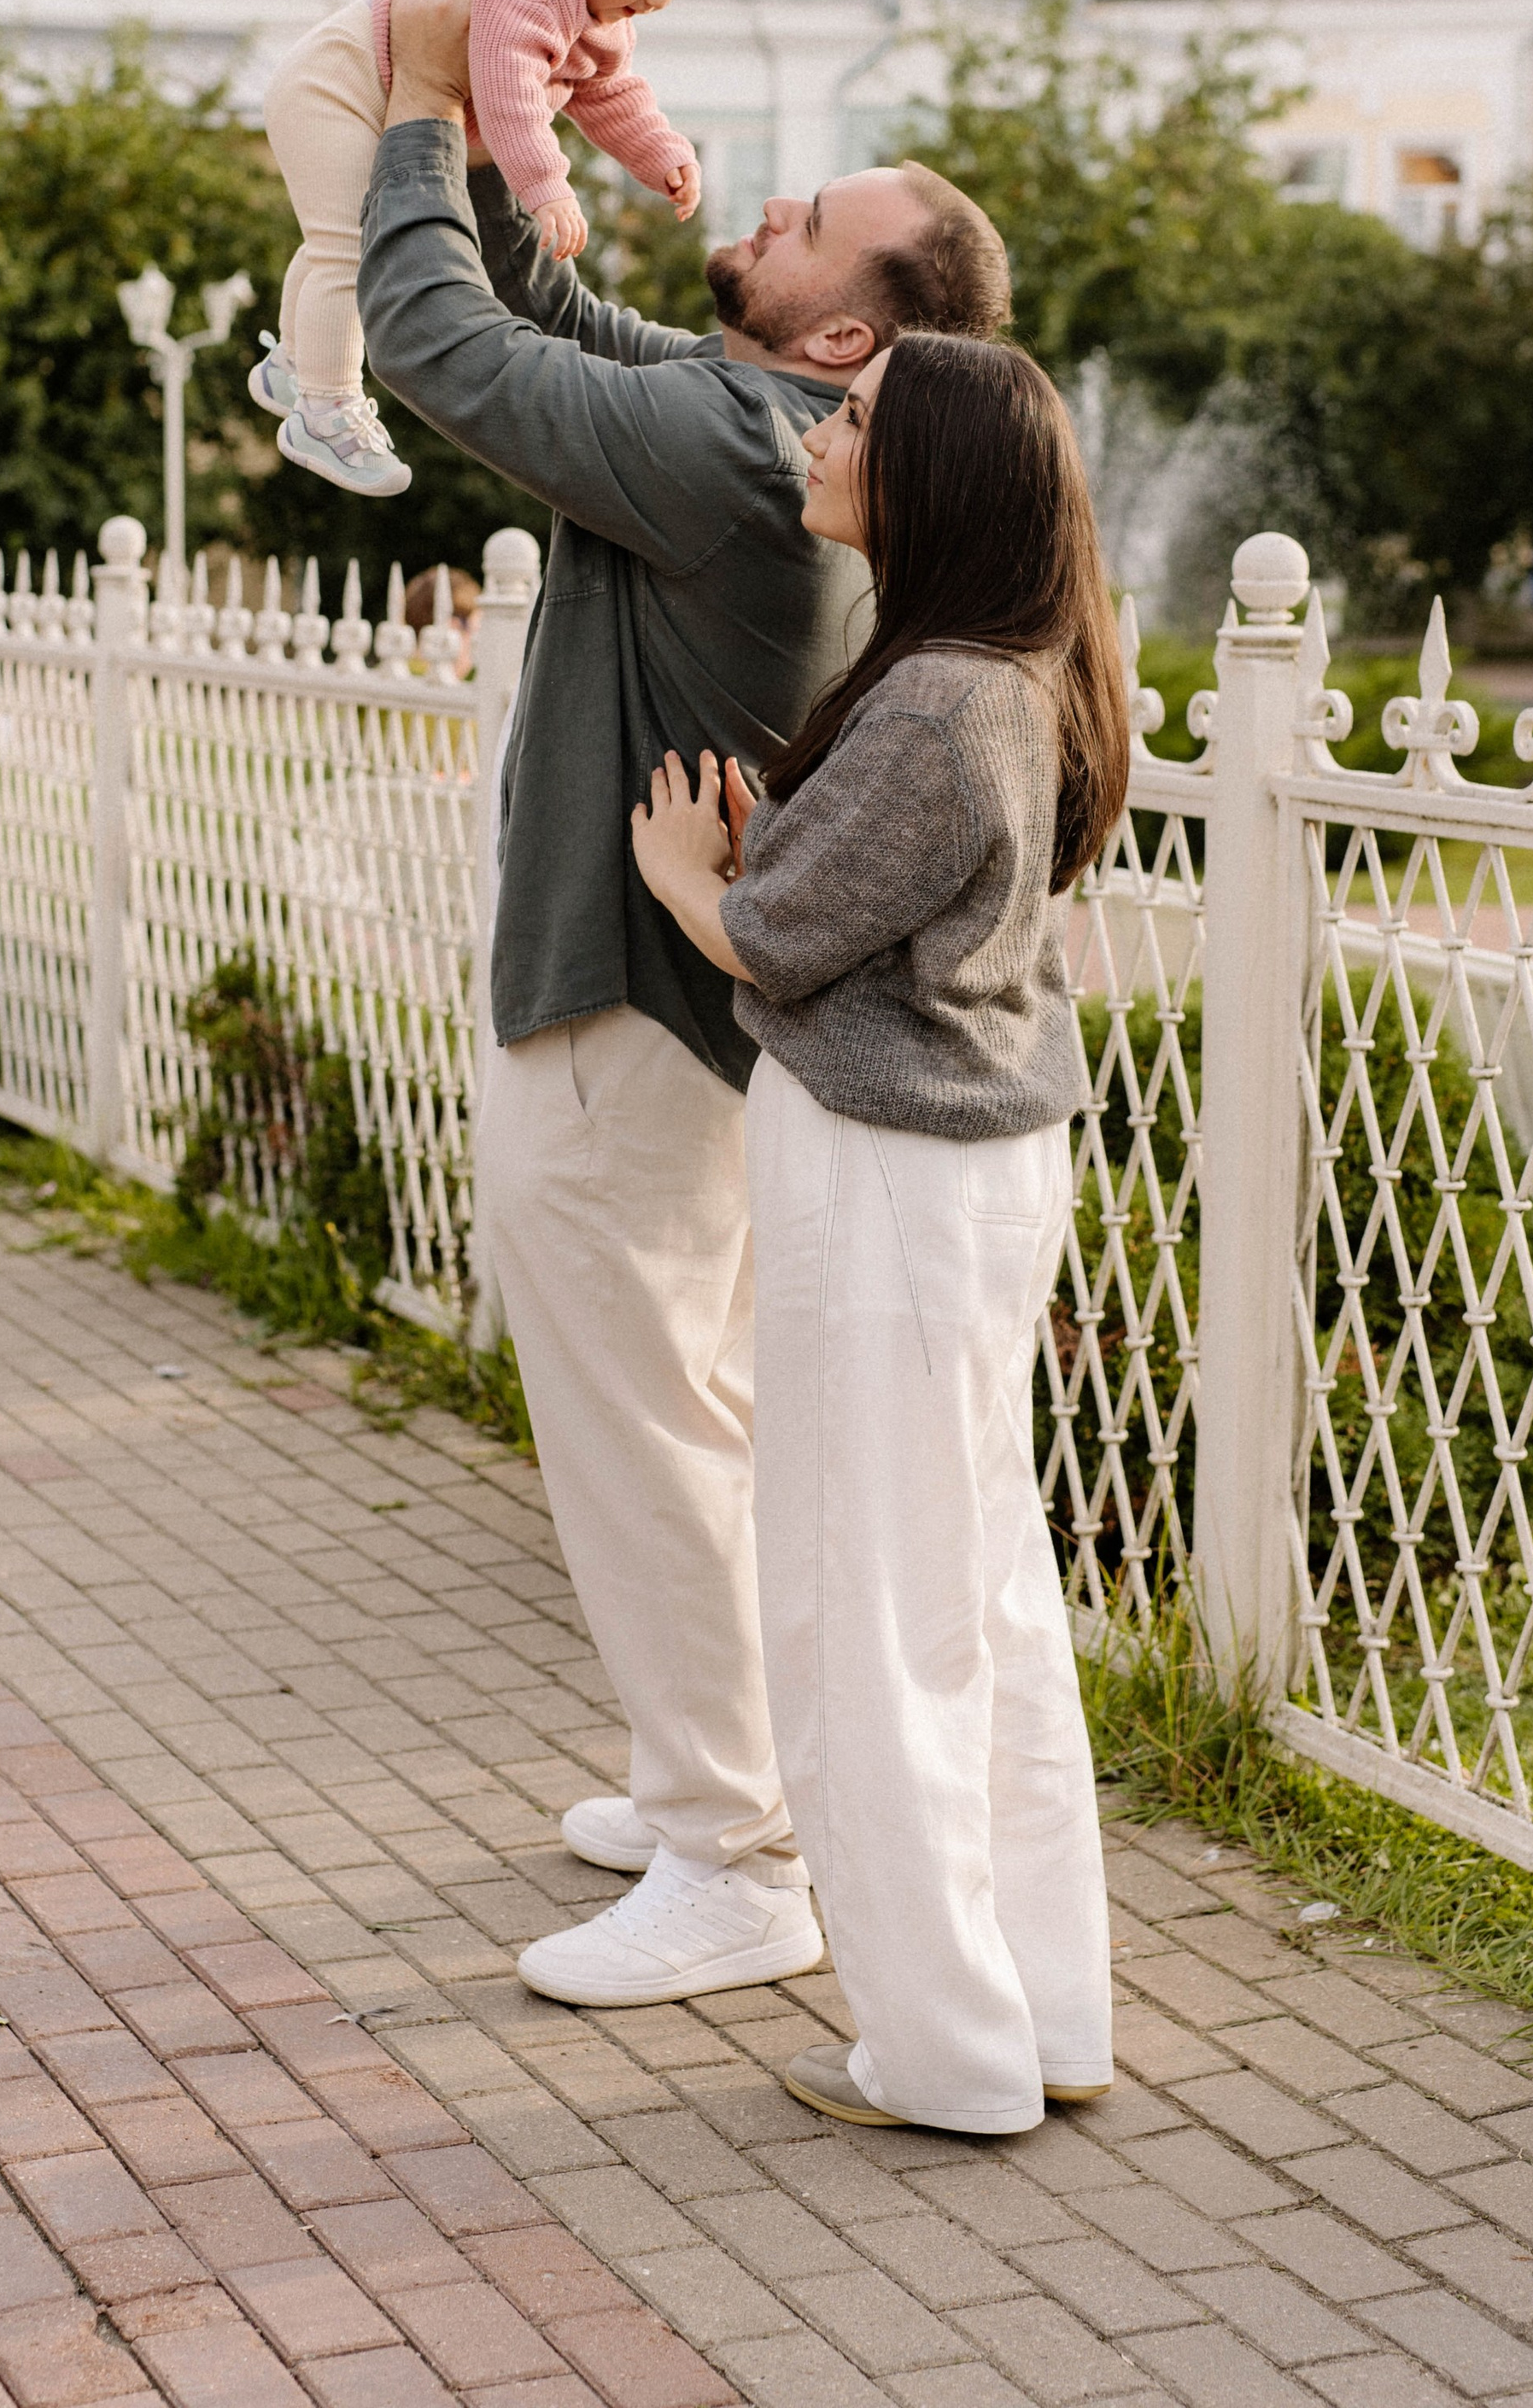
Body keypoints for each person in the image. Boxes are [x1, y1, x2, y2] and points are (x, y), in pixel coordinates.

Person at [332, 0, 1014, 2008]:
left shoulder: (736, 446)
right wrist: (507, 126)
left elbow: (436, 344)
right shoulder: (759, 417)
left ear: (841, 331)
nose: (770, 200)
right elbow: (541, 317)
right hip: (677, 1024)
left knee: (644, 1441)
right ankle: (714, 1779)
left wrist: (413, 102)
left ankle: (733, 1855)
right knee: (691, 1418)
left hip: (623, 1019)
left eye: (811, 219)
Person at [631, 331, 1126, 2133]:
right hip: (967, 1175)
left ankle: (940, 2053)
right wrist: (779, 852)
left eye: (851, 417)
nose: (817, 434)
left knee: (863, 1612)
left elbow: (774, 939)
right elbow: (876, 897)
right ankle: (1038, 2019)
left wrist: (687, 874)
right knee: (975, 1597)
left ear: (931, 476)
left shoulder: (933, 704)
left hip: (887, 1174)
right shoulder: (1008, 673)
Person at [255, 0, 762, 497]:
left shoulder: (596, 10)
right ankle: (324, 409)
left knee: (334, 240)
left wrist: (661, 152)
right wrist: (546, 186)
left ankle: (292, 366)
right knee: (349, 249)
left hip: (366, 95)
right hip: (334, 87)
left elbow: (608, 91)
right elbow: (507, 89)